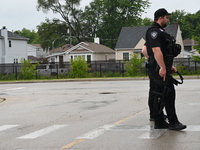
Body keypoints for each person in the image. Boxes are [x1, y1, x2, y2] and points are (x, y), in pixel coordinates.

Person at [145, 8, 186, 130]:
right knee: (167, 94)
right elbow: (156, 51)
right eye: (166, 17)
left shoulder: (161, 32)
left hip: (162, 68)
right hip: (158, 69)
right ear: (160, 18)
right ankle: (172, 122)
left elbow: (165, 52)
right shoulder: (154, 32)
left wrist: (169, 66)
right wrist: (162, 67)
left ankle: (160, 122)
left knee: (162, 95)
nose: (168, 20)